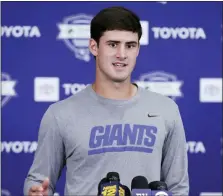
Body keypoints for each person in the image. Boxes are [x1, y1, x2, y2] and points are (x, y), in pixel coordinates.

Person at [24, 6, 189, 196]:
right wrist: (34, 192)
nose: (122, 54)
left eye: (130, 45)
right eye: (113, 44)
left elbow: (178, 187)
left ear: (138, 49)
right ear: (94, 47)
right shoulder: (60, 114)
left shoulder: (166, 109)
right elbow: (38, 180)